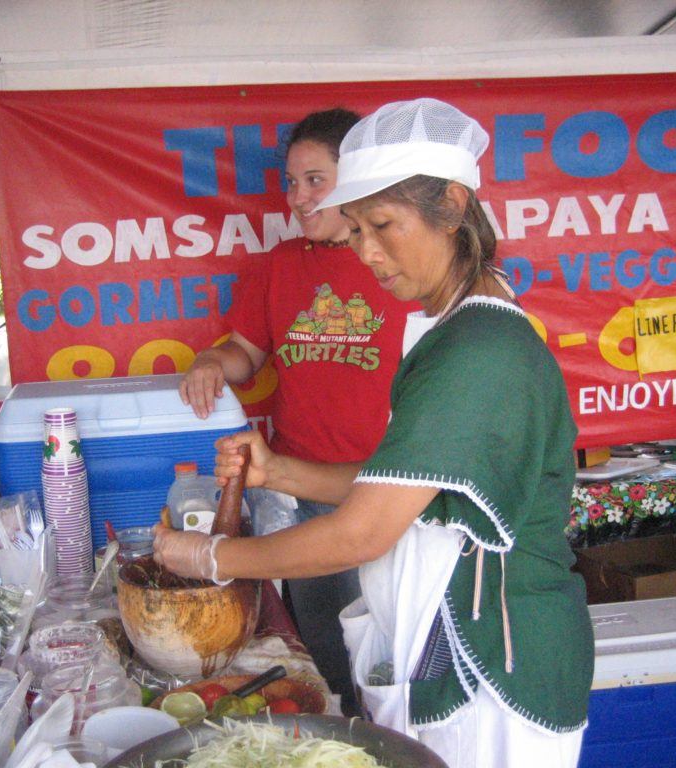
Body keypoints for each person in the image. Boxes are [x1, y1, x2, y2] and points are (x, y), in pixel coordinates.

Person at [156, 98, 594, 768]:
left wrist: (207, 559)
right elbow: (404, 490)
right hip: (456, 640)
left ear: (451, 204)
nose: (366, 252)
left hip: (492, 662)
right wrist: (282, 473)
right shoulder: (449, 327)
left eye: (382, 225)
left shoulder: (477, 350)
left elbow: (362, 530)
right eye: (357, 229)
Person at [178, 107, 415, 714]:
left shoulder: (406, 267)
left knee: (398, 667)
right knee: (327, 662)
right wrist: (211, 359)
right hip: (305, 492)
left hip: (394, 499)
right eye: (291, 182)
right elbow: (244, 353)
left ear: (358, 176)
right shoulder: (278, 266)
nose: (298, 197)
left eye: (316, 180)